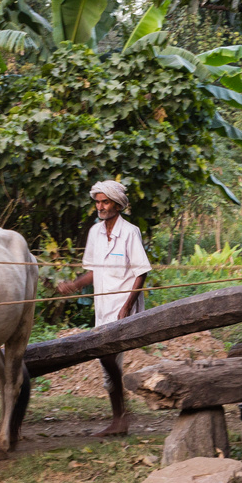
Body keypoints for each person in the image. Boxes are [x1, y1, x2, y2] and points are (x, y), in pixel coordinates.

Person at [55, 179, 150, 435]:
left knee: (108, 357)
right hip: (103, 306)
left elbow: (141, 273)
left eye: (105, 201)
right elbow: (94, 272)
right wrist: (72, 286)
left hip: (122, 306)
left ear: (117, 204)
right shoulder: (95, 233)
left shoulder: (130, 232)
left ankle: (120, 420)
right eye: (97, 202)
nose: (101, 206)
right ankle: (120, 419)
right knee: (107, 362)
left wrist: (127, 308)